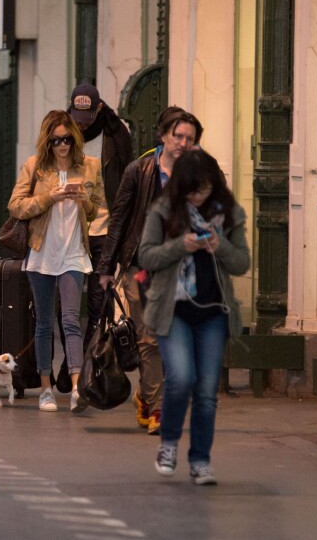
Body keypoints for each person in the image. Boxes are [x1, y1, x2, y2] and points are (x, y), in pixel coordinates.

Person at [138, 149, 250, 485]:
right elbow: (146, 255)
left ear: (214, 184)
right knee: (181, 378)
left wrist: (220, 247)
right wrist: (180, 246)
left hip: (214, 312)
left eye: (202, 189)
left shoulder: (229, 214)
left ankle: (201, 460)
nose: (197, 197)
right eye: (190, 191)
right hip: (173, 310)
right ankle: (168, 443)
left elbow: (242, 263)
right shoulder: (163, 211)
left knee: (205, 390)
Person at [97, 107, 204, 435]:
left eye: (190, 138)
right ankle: (158, 409)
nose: (184, 143)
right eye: (178, 136)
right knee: (149, 337)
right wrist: (105, 267)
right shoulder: (138, 171)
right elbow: (118, 220)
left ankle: (145, 396)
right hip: (140, 266)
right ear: (163, 135)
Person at [7, 110, 103, 413]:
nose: (62, 145)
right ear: (47, 142)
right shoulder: (35, 167)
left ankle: (76, 388)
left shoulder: (90, 167)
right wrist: (50, 198)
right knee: (45, 321)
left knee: (72, 321)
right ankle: (46, 388)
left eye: (66, 139)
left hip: (74, 253)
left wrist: (81, 199)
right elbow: (15, 206)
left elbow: (94, 211)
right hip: (42, 254)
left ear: (74, 138)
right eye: (55, 140)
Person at [67, 83, 134, 349]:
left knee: (98, 303)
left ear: (98, 109)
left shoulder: (116, 134)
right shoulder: (63, 133)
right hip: (71, 230)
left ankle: (87, 363)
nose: (82, 124)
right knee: (68, 308)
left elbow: (128, 180)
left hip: (105, 230)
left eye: (87, 117)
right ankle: (73, 364)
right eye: (77, 117)